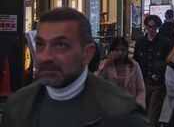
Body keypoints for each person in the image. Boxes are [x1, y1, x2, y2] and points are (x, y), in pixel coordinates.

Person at [1, 8, 147, 127]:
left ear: (87, 54)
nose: (46, 56)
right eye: (40, 45)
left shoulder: (121, 114)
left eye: (60, 45)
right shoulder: (18, 107)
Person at [134, 15, 170, 126]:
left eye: (154, 27)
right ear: (146, 27)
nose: (151, 29)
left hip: (157, 83)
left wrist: (159, 72)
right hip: (142, 81)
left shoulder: (164, 42)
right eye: (149, 27)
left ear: (158, 27)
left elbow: (167, 61)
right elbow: (136, 60)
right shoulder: (140, 42)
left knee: (153, 113)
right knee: (142, 111)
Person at [97, 37, 146, 108]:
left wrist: (138, 106)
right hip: (110, 108)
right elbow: (97, 83)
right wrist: (107, 62)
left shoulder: (134, 65)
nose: (120, 53)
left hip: (130, 108)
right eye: (117, 50)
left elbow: (141, 89)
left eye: (123, 50)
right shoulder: (106, 65)